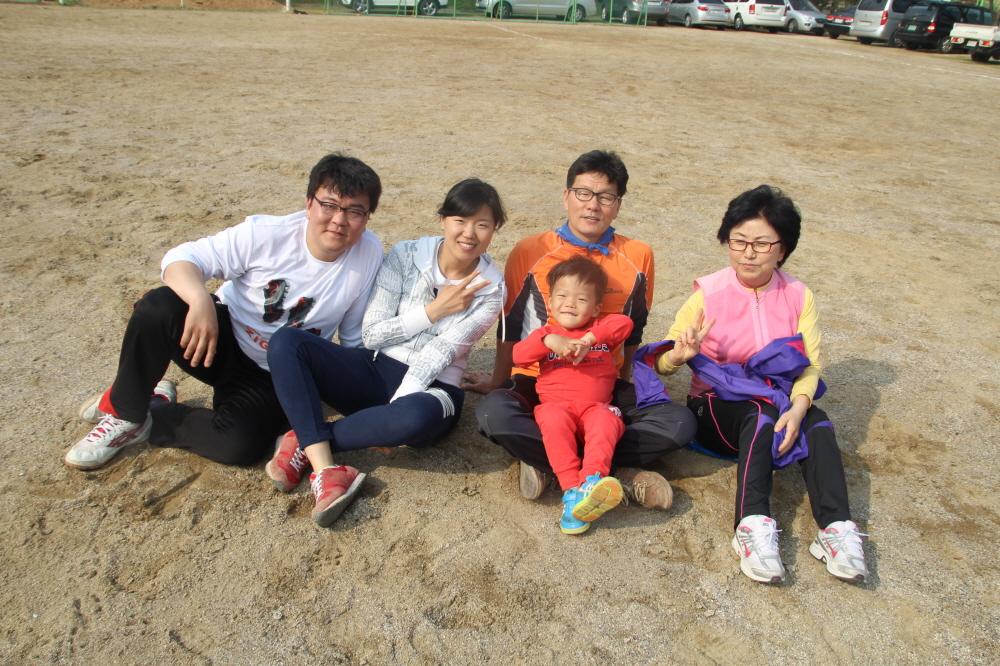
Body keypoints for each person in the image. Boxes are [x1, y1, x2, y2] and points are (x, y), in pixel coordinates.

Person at [65, 153, 384, 470]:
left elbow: (354, 339)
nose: (339, 220)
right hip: (216, 340)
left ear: (367, 217)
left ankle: (153, 413)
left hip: (275, 374)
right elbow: (181, 259)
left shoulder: (368, 254)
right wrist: (200, 300)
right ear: (309, 203)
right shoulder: (266, 234)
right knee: (158, 308)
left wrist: (372, 412)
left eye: (354, 211)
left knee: (239, 446)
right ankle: (125, 412)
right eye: (329, 205)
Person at [653, 184, 868, 584]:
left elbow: (811, 365)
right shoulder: (707, 294)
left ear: (782, 249)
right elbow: (663, 363)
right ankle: (751, 525)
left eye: (762, 243)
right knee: (762, 412)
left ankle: (836, 528)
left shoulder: (798, 295)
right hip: (715, 409)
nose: (748, 253)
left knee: (818, 422)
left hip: (779, 399)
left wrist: (799, 408)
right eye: (739, 241)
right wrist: (679, 356)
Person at [264, 178, 506, 527]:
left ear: (494, 229)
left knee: (412, 418)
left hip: (433, 389)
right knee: (287, 342)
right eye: (460, 221)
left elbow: (441, 351)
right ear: (443, 220)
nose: (469, 233)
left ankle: (305, 440)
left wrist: (392, 416)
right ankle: (325, 455)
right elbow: (373, 333)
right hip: (377, 368)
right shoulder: (406, 256)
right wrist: (433, 311)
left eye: (482, 225)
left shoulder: (492, 289)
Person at [470, 150, 696, 508]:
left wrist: (622, 385)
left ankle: (552, 464)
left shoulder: (638, 255)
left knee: (680, 422)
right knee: (492, 414)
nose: (593, 205)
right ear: (566, 196)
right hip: (540, 384)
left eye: (605, 197)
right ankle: (617, 471)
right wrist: (498, 381)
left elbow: (634, 329)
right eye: (583, 193)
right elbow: (509, 324)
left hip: (600, 390)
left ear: (617, 205)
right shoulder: (531, 250)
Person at [512, 256, 633, 535]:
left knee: (605, 422)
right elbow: (518, 355)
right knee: (552, 420)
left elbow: (625, 323)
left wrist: (589, 339)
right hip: (557, 407)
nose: (570, 303)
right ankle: (571, 491)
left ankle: (591, 482)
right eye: (562, 296)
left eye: (581, 299)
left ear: (596, 307)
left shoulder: (600, 331)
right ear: (550, 301)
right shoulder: (546, 334)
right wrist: (548, 341)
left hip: (596, 408)